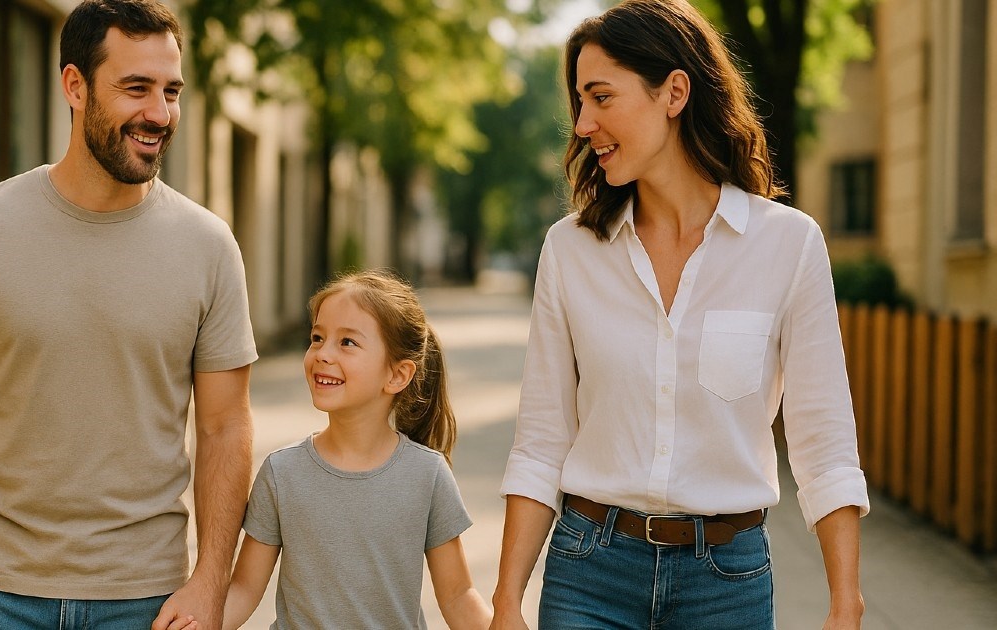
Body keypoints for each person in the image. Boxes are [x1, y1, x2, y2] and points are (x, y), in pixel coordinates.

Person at [0, 2, 257, 629]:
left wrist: (210, 583)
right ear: (74, 86)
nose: (159, 115)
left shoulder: (209, 247)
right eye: (136, 89)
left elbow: (223, 428)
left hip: (147, 601)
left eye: (170, 92)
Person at [489, 1, 870, 629]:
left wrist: (845, 604)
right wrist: (506, 600)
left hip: (727, 582)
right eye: (579, 103)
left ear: (674, 92)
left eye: (601, 97)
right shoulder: (570, 249)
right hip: (589, 569)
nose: (583, 124)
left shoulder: (789, 245)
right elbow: (541, 439)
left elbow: (823, 444)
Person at [220, 269, 492, 629]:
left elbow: (458, 596)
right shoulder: (282, 473)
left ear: (397, 375)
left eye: (347, 342)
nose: (322, 354)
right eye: (317, 338)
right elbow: (243, 589)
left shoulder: (426, 475)